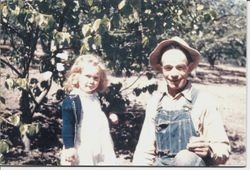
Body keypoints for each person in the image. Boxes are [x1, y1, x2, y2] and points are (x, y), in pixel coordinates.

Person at [132, 36, 230, 166]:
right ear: (161, 68)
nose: (173, 74)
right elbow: (145, 150)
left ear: (189, 68)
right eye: (168, 68)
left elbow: (222, 149)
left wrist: (209, 150)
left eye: (180, 67)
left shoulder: (204, 101)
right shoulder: (155, 102)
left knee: (186, 159)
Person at [60, 54, 117, 165]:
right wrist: (69, 147)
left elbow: (103, 109)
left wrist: (111, 114)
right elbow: (68, 125)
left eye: (96, 78)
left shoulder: (97, 96)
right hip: (82, 147)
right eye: (87, 76)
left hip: (101, 145)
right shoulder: (72, 100)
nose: (91, 81)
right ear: (77, 76)